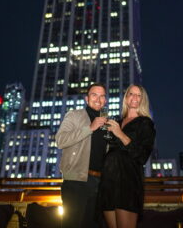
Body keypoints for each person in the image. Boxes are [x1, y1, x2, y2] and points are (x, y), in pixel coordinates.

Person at [98, 84, 156, 228]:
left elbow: (142, 156)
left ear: (143, 100)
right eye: (131, 94)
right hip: (108, 182)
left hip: (128, 182)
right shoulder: (117, 121)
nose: (135, 97)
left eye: (139, 95)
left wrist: (120, 134)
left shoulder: (145, 123)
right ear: (126, 97)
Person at [56, 83, 108, 228]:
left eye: (102, 96)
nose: (98, 99)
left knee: (93, 225)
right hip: (76, 180)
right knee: (72, 224)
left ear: (105, 100)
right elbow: (60, 140)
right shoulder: (74, 115)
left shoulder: (107, 122)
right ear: (86, 99)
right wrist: (90, 128)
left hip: (100, 182)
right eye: (94, 95)